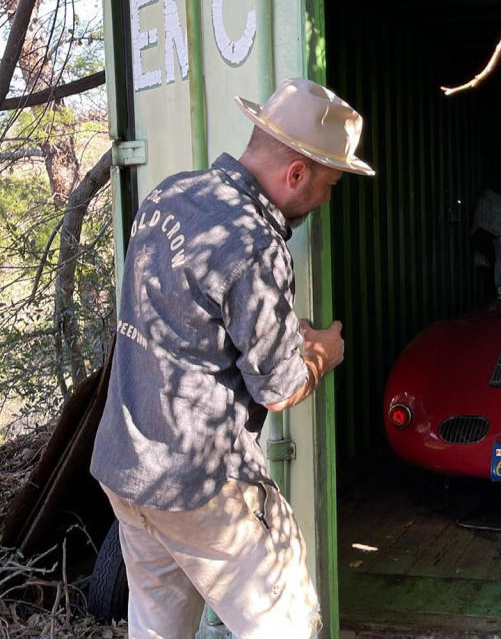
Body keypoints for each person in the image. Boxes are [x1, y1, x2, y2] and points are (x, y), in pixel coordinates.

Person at [90, 77, 374, 638]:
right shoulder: (257, 245)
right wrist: (326, 352)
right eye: (330, 184)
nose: (328, 199)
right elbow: (279, 388)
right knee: (288, 625)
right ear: (296, 175)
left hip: (125, 467)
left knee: (156, 626)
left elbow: (186, 317)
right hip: (199, 487)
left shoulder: (169, 195)